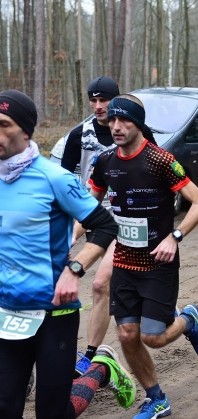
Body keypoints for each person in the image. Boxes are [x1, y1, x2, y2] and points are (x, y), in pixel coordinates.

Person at [0, 89, 136, 419]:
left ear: (26, 130)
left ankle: (101, 369)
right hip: (6, 308)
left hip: (53, 311)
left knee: (51, 416)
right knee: (4, 410)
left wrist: (74, 270)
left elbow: (104, 226)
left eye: (3, 125)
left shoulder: (55, 178)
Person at [88, 94, 198, 419]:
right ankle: (156, 398)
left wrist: (176, 236)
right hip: (125, 262)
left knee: (152, 337)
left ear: (138, 123)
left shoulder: (160, 160)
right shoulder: (105, 162)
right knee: (128, 335)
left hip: (159, 262)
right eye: (112, 120)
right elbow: (88, 204)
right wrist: (72, 233)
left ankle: (188, 319)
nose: (116, 126)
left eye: (124, 120)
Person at [60, 76, 121, 376]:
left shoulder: (132, 131)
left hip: (127, 222)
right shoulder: (78, 135)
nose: (98, 106)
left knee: (101, 284)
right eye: (93, 100)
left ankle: (89, 355)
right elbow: (61, 182)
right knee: (117, 290)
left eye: (104, 100)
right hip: (91, 216)